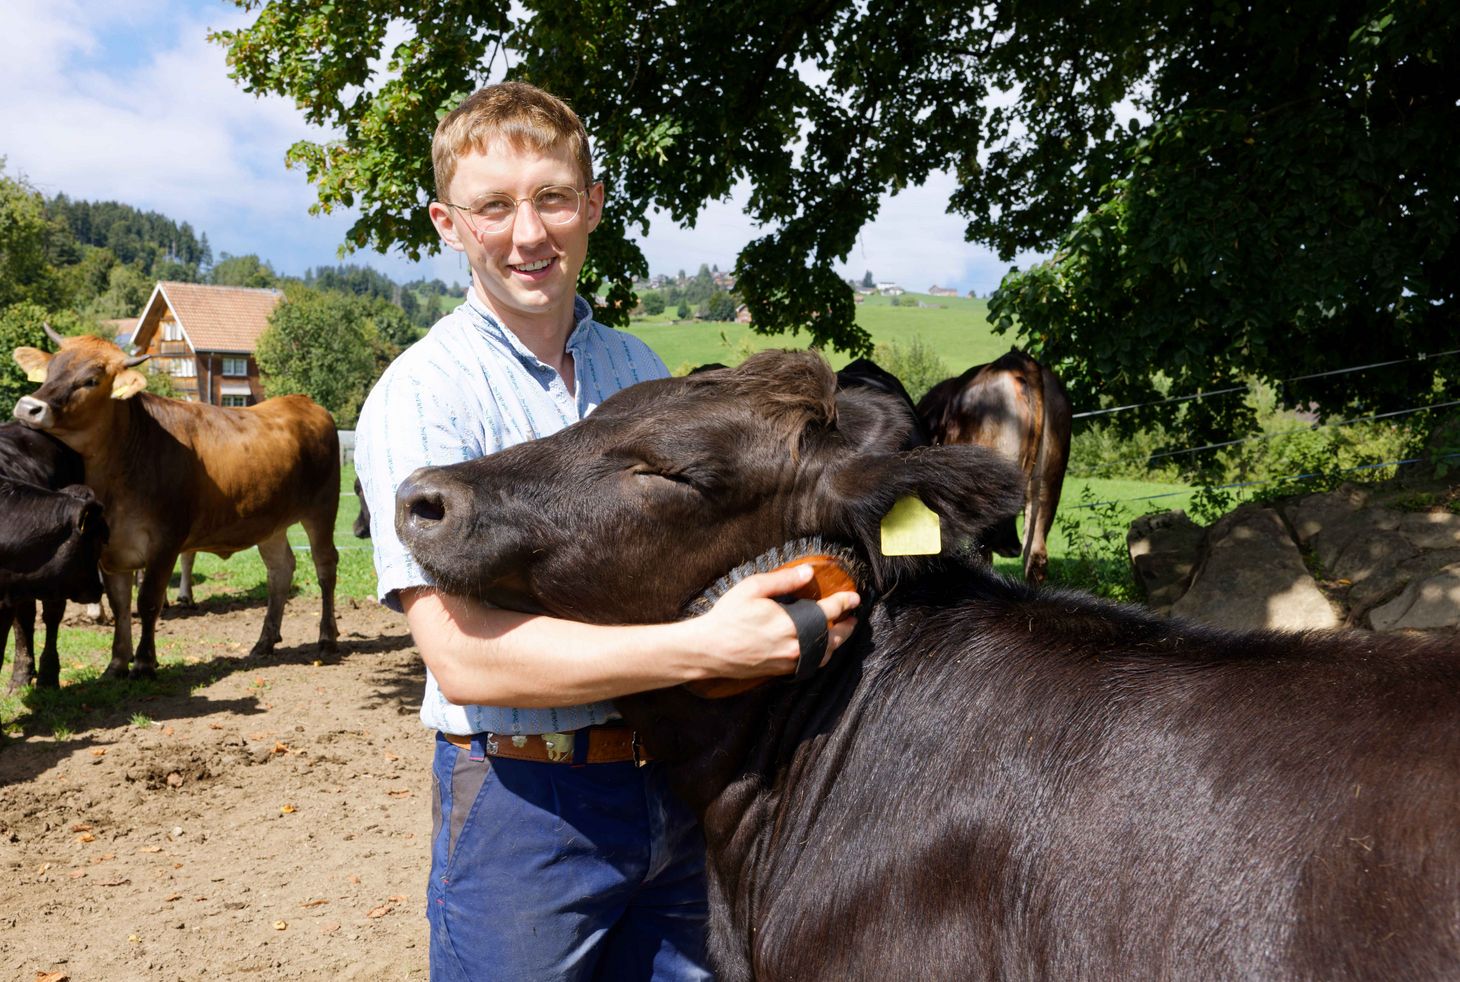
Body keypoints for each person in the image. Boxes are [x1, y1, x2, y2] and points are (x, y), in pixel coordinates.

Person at [354, 81, 861, 982]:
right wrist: (710, 649)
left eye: (552, 197)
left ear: (590, 205)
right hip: (527, 801)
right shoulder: (422, 393)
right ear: (446, 222)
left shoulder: (640, 368)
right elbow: (465, 660)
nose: (527, 233)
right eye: (493, 206)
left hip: (681, 780)